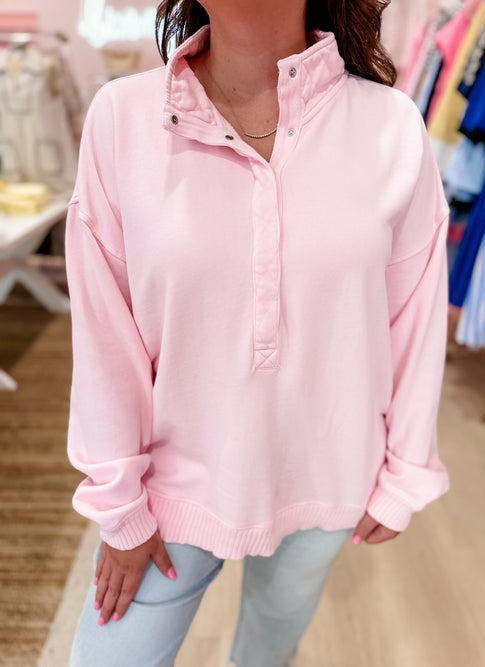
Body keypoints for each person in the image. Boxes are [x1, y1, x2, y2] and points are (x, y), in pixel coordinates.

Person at [65, 0, 452, 665]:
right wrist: (119, 506)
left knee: (269, 646)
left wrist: (406, 471)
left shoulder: (390, 125)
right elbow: (105, 333)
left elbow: (415, 313)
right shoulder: (122, 118)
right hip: (170, 488)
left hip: (332, 476)